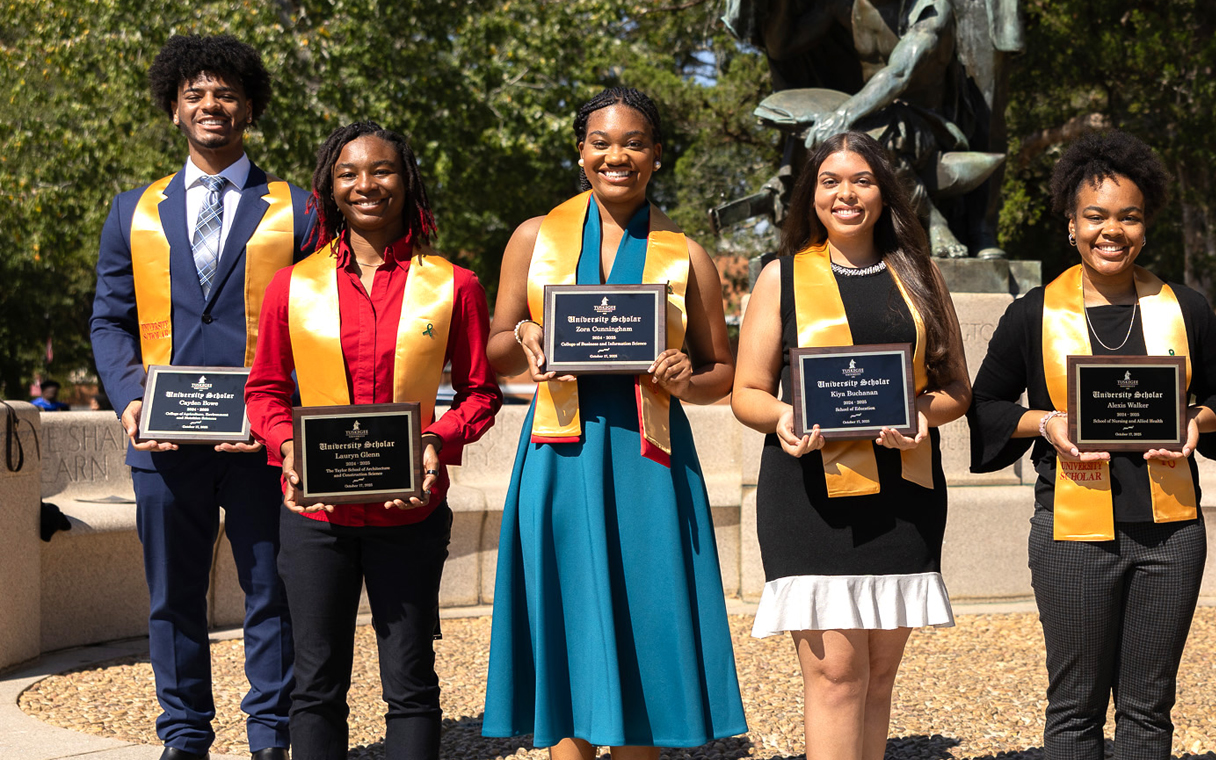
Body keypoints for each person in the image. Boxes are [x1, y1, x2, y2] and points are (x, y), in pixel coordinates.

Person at [481, 87, 746, 759]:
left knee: (645, 621)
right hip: (560, 452)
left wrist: (690, 378)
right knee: (569, 614)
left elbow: (723, 374)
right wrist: (526, 331)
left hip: (648, 459)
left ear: (656, 155)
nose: (616, 155)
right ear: (581, 151)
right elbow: (495, 354)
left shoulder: (686, 254)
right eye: (601, 142)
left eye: (633, 142)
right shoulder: (534, 238)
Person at [966, 130, 1216, 760]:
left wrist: (1195, 424)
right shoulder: (1033, 314)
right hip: (1070, 529)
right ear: (1070, 224)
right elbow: (986, 407)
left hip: (1169, 533)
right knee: (1075, 707)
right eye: (1095, 216)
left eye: (1128, 217)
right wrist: (1048, 425)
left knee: (1149, 706)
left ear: (1145, 227)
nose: (1110, 231)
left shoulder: (1186, 310)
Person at [88, 34, 317, 760]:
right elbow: (109, 319)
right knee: (171, 599)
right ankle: (183, 736)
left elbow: (320, 322)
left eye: (225, 93)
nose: (210, 105)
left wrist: (282, 414)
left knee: (270, 596)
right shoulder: (133, 211)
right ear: (174, 109)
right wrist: (128, 397)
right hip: (161, 442)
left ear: (249, 106)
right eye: (195, 94)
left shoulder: (299, 210)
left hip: (261, 442)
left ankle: (269, 737)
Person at [244, 122, 501, 760]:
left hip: (410, 509)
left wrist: (438, 438)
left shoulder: (452, 285)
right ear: (329, 189)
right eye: (349, 173)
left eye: (382, 170)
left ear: (406, 180)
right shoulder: (292, 286)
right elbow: (265, 392)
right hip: (314, 513)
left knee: (411, 682)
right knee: (315, 683)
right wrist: (287, 446)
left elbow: (480, 392)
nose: (367, 185)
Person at [732, 130, 969, 760]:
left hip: (903, 497)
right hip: (811, 498)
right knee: (837, 676)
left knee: (878, 678)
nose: (846, 193)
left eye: (861, 179)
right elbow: (747, 391)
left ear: (883, 191)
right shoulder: (779, 278)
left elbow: (955, 388)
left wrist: (923, 415)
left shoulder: (921, 276)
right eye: (830, 181)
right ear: (811, 195)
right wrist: (782, 415)